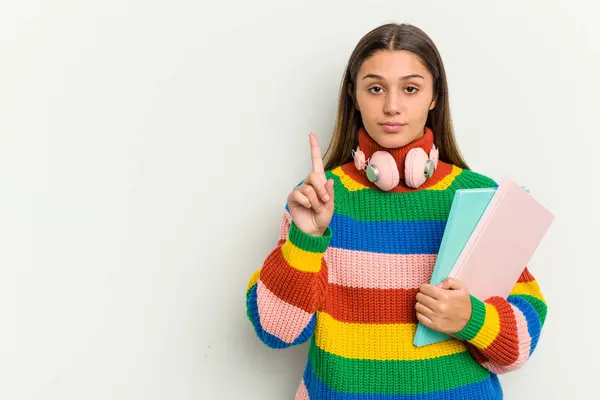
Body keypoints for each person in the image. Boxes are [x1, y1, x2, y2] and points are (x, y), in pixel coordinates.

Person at [245, 22, 547, 399]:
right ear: (354, 96)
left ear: (434, 96)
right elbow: (276, 331)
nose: (392, 106)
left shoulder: (479, 196)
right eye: (375, 88)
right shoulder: (318, 200)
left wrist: (473, 319)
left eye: (410, 88)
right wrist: (306, 239)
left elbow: (520, 346)